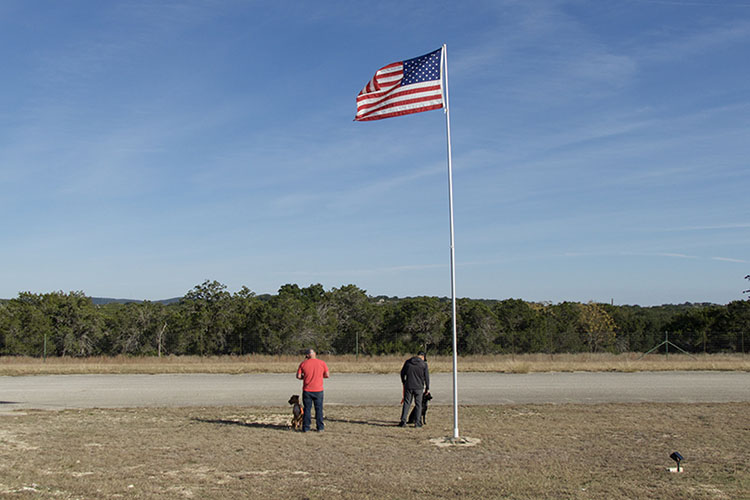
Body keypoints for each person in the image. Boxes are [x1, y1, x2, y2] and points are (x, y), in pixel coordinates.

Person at [296, 348, 329, 432]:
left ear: (307, 355)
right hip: (318, 390)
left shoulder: (303, 364)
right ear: (315, 354)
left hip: (307, 390)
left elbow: (298, 376)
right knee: (319, 409)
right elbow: (327, 375)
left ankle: (306, 427)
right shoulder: (322, 363)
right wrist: (319, 377)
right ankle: (320, 427)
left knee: (307, 409)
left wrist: (305, 377)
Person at [399, 350, 430, 428]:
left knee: (407, 403)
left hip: (408, 386)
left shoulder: (408, 362)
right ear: (423, 357)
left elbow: (402, 373)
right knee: (418, 404)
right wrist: (427, 388)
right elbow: (427, 377)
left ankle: (403, 421)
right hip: (419, 387)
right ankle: (418, 422)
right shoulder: (424, 364)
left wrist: (404, 382)